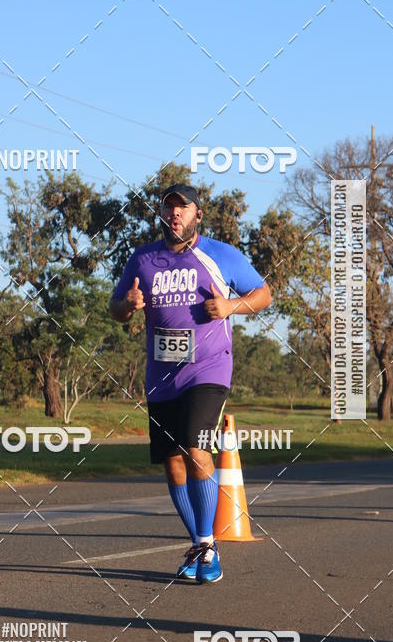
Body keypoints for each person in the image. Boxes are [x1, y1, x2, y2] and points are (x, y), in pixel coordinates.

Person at [109, 183, 272, 584]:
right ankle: (200, 544)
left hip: (209, 370)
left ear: (198, 215)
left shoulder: (219, 254)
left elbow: (264, 294)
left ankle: (208, 547)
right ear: (162, 214)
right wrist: (127, 307)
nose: (175, 214)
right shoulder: (143, 258)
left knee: (197, 450)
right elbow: (115, 308)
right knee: (173, 462)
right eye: (169, 207)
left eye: (183, 208)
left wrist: (232, 306)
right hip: (162, 375)